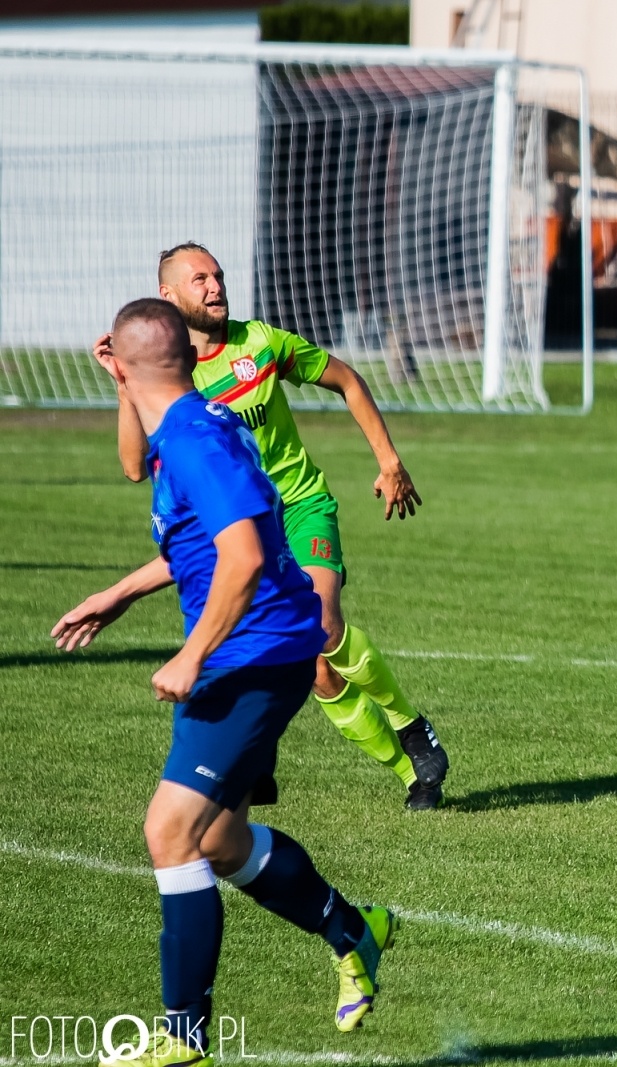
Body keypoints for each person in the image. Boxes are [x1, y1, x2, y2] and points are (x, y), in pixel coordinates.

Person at [55, 300, 395, 1067]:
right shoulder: (192, 423)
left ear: (125, 364)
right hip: (255, 649)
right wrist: (121, 592)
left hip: (253, 655)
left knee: (169, 831)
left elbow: (244, 553)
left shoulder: (195, 438)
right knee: (217, 837)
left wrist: (190, 654)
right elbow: (203, 533)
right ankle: (353, 930)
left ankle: (183, 1036)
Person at [94, 243, 450, 809]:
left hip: (301, 506)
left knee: (324, 626)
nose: (215, 286)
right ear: (169, 294)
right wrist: (123, 383)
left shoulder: (260, 343)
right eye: (199, 279)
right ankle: (412, 774)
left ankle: (410, 725)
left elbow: (347, 380)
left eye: (217, 275)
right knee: (317, 671)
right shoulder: (165, 373)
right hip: (241, 525)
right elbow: (135, 467)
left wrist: (389, 461)